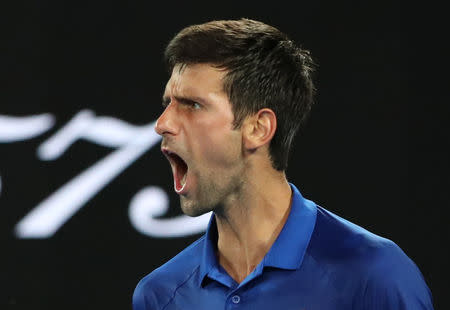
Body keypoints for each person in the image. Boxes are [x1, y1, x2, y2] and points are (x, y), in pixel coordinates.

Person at [132, 18, 433, 309]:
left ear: (258, 128)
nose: (162, 123)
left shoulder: (375, 276)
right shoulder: (160, 295)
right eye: (167, 104)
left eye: (193, 105)